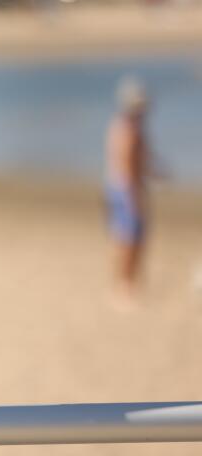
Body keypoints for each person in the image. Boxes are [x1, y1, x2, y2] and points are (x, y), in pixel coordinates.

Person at [104, 76, 151, 301]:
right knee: (129, 239)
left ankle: (126, 285)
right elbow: (126, 166)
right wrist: (134, 198)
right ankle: (125, 286)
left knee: (128, 238)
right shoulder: (128, 131)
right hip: (126, 190)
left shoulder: (126, 126)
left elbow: (138, 160)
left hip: (122, 188)